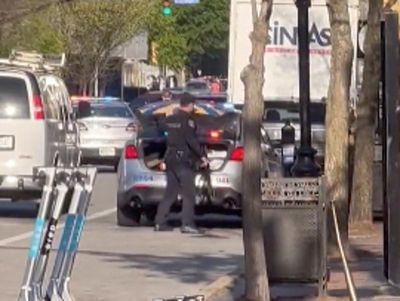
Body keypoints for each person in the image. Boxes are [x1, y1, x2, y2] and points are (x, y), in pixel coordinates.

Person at [154, 93, 209, 234]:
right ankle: (187, 223)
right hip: (183, 159)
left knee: (170, 192)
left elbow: (160, 134)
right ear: (190, 105)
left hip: (170, 157)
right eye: (193, 105)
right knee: (189, 193)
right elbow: (191, 140)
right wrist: (202, 157)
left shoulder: (170, 119)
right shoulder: (188, 121)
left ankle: (160, 222)